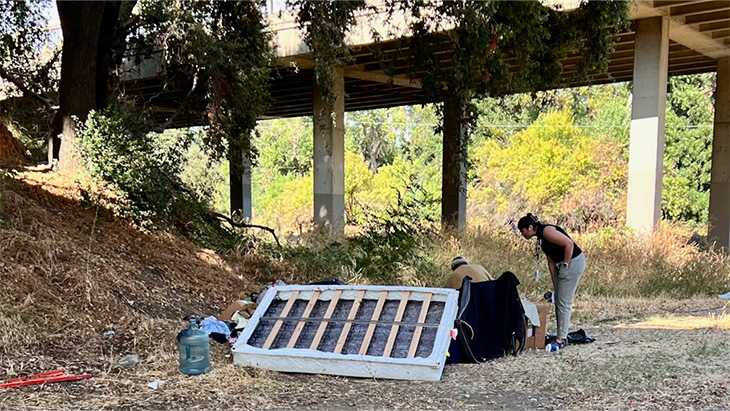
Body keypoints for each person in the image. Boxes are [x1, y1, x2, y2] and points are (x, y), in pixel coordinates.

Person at [517, 213, 586, 351]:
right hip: (561, 265)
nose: (522, 234)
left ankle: (561, 339)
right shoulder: (541, 239)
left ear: (530, 227)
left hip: (573, 262)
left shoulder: (547, 231)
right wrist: (556, 284)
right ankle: (561, 335)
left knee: (563, 302)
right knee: (558, 299)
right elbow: (550, 261)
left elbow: (569, 244)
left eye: (523, 231)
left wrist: (565, 264)